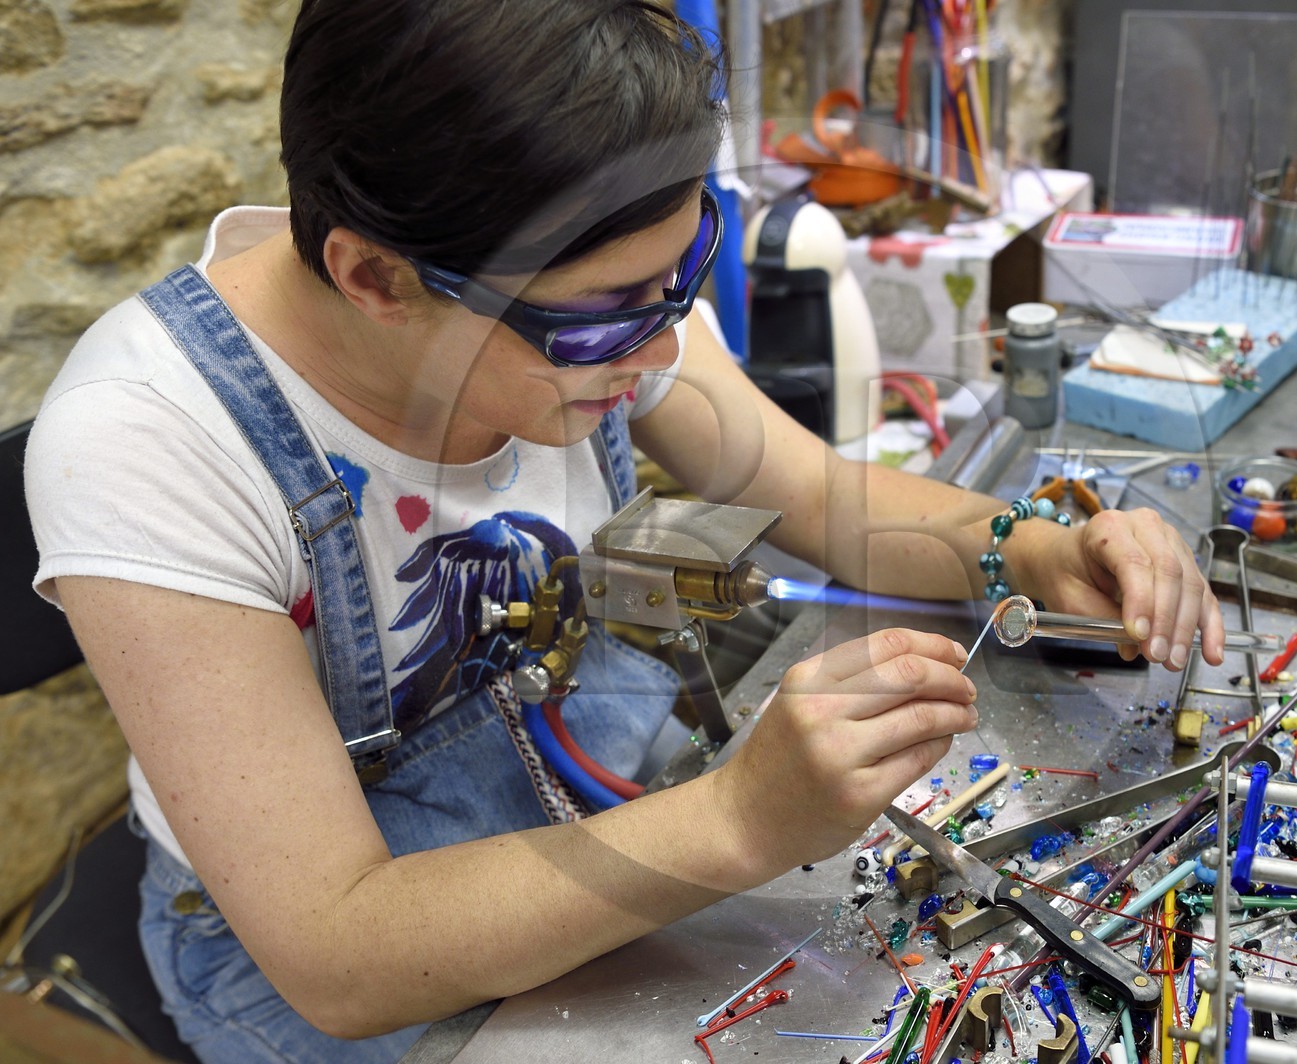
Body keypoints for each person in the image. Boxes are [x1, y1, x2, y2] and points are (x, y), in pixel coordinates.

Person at [24, 1, 1223, 1060]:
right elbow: (338, 950)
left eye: (679, 274)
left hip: (595, 793)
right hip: (349, 936)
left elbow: (815, 498)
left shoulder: (585, 264)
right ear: (376, 279)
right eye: (604, 318)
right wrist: (742, 817)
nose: (658, 352)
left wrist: (1023, 547)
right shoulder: (151, 438)